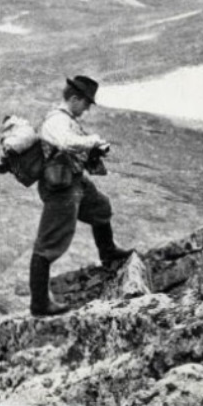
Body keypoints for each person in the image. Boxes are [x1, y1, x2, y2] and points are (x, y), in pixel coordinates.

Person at [29, 75, 133, 317]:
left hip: (75, 181)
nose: (86, 109)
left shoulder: (67, 119)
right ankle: (40, 304)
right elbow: (65, 143)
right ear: (74, 99)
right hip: (60, 189)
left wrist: (93, 147)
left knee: (101, 208)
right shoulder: (56, 121)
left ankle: (107, 253)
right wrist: (92, 140)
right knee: (48, 245)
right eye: (86, 103)